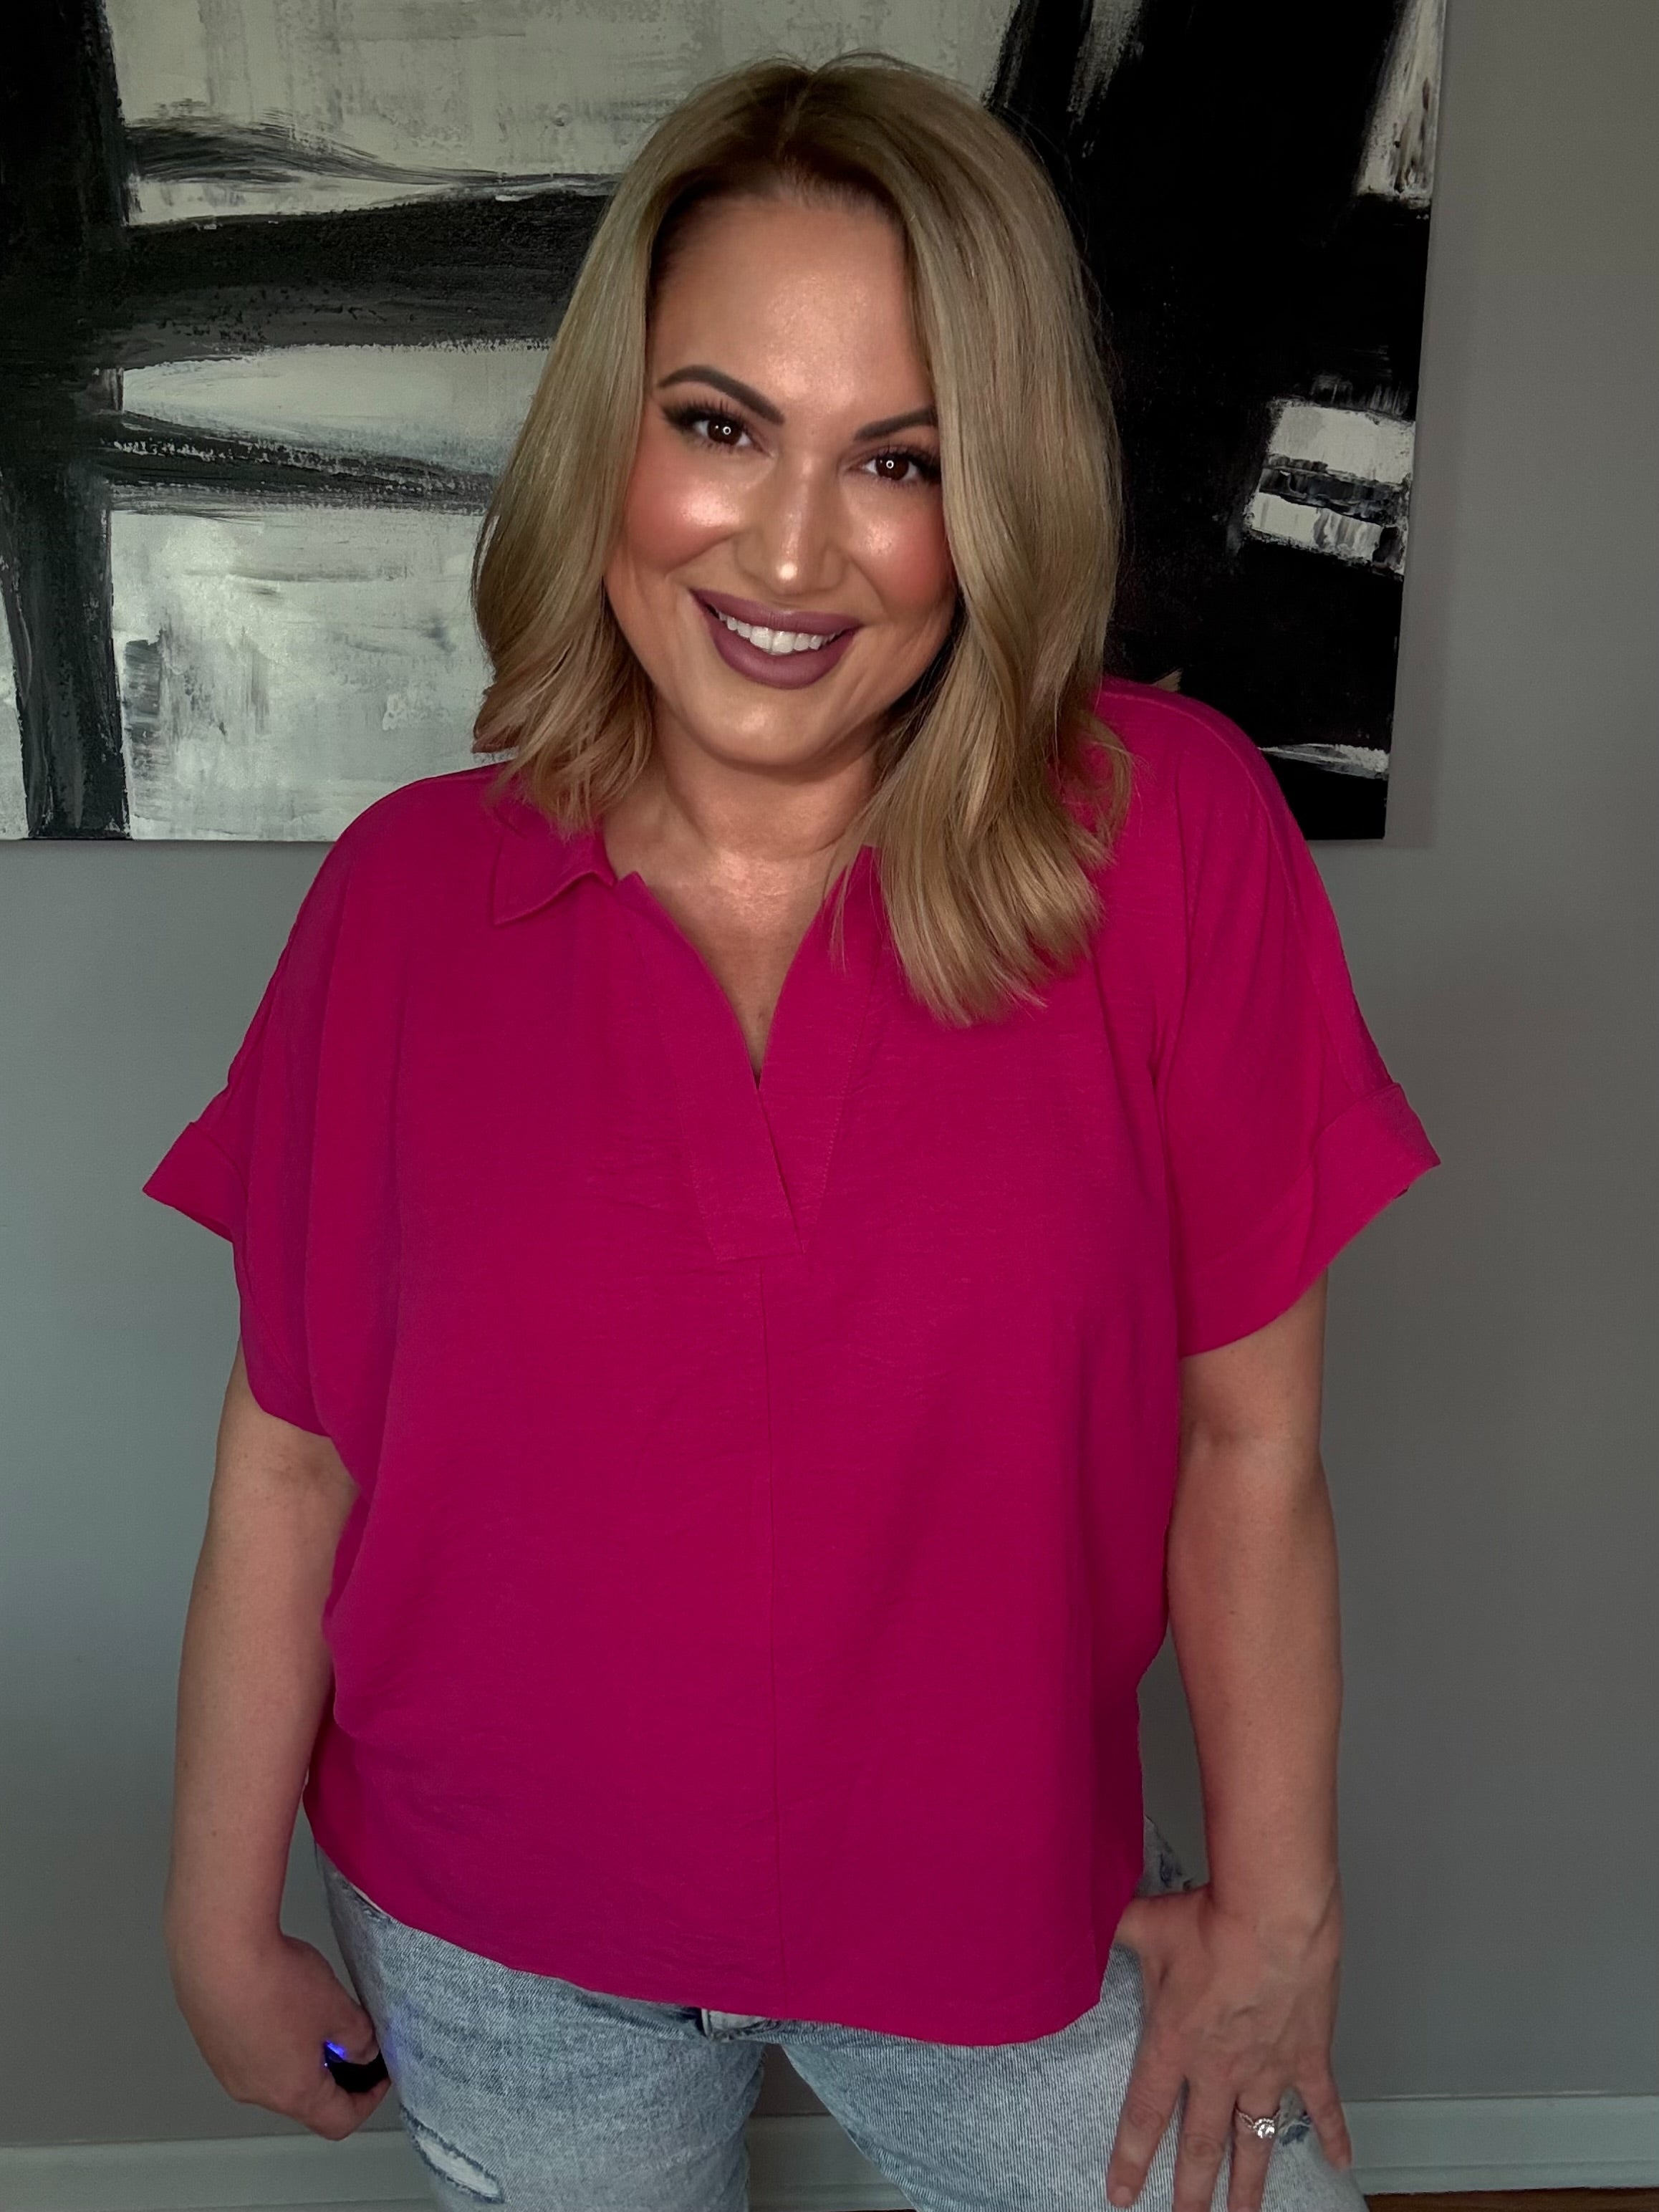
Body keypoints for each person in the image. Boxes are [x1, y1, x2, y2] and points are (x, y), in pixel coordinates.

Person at [145, 52, 1440, 2212]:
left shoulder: (1169, 841)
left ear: (993, 497)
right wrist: (215, 1926)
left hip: (1013, 1924)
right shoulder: (404, 899)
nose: (788, 546)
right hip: (496, 1946)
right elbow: (293, 1449)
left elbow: (1250, 1447)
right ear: (614, 437)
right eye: (719, 424)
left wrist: (1278, 1915)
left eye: (898, 459)